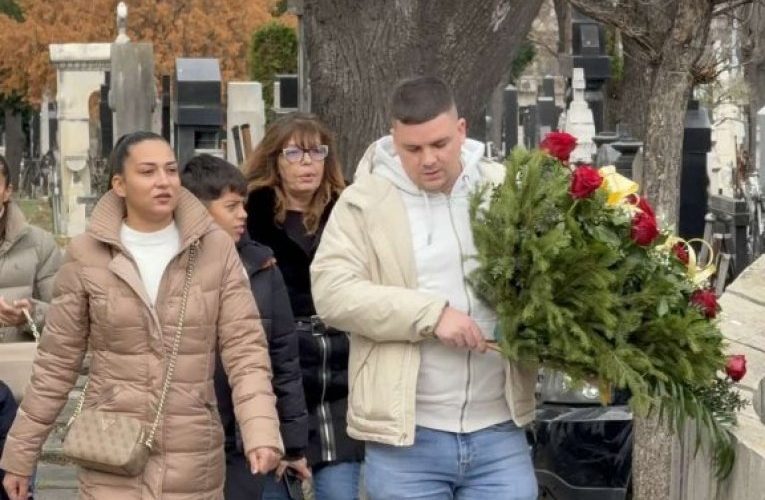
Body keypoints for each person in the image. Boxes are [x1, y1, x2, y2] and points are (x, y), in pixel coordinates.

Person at [0, 132, 282, 500]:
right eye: (148, 172)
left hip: (191, 451)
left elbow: (245, 350)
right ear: (119, 184)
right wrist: (20, 455)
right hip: (110, 448)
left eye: (170, 170)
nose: (163, 181)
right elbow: (57, 362)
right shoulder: (86, 254)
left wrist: (260, 430)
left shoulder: (215, 249)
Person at [310, 76, 539, 500]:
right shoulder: (364, 201)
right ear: (393, 139)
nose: (428, 159)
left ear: (461, 130)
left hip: (500, 429)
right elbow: (332, 292)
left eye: (439, 144)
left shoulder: (506, 189)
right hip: (407, 438)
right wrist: (431, 315)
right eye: (412, 149)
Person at [244, 113, 363, 500]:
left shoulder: (349, 210)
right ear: (275, 160)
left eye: (317, 152)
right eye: (294, 153)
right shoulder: (250, 215)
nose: (308, 162)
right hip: (279, 367)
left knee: (340, 490)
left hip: (339, 371)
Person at [181, 154, 309, 499]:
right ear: (197, 211)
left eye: (243, 204)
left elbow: (284, 359)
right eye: (232, 206)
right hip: (188, 436)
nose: (244, 215)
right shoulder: (172, 267)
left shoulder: (262, 265)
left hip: (245, 440)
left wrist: (293, 444)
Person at [0, 154, 61, 343]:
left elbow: (66, 317)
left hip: (20, 358)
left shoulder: (41, 244)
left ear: (7, 191)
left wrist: (31, 314)